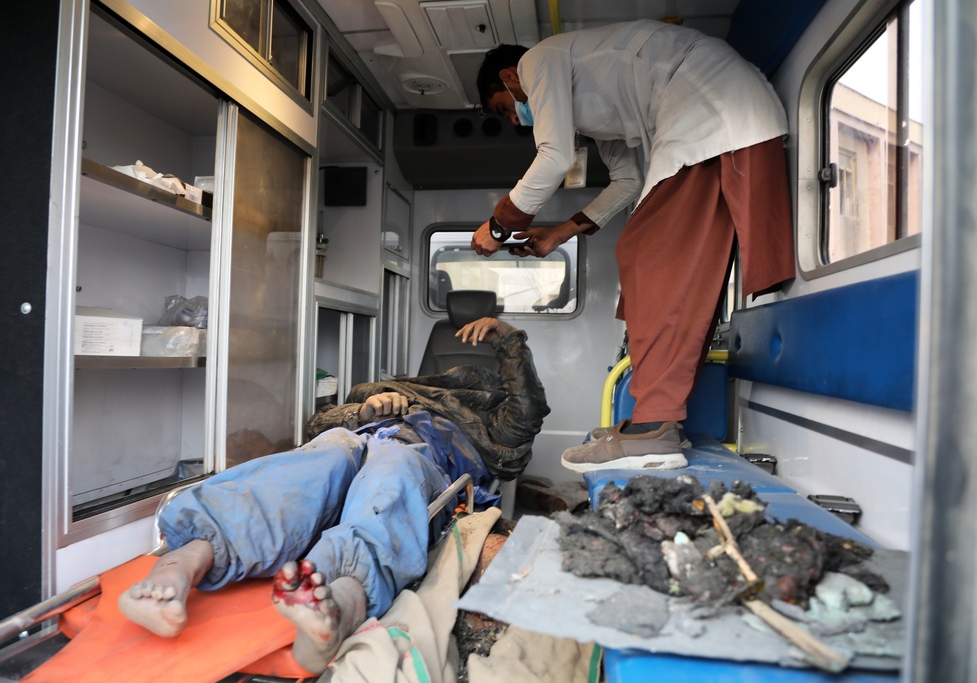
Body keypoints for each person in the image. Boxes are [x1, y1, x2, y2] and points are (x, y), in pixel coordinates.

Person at [117, 317, 549, 674]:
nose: (453, 380)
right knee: (317, 462)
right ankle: (185, 561)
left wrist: (509, 340)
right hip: (354, 436)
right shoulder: (383, 387)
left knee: (393, 471)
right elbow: (317, 425)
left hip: (424, 450)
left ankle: (342, 602)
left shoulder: (491, 415)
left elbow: (525, 420)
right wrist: (361, 411)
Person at [470, 21, 795, 472]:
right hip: (714, 112)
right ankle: (658, 420)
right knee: (661, 260)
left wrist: (499, 225)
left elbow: (554, 156)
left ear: (508, 79)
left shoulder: (535, 60)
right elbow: (627, 181)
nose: (514, 119)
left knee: (649, 257)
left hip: (705, 104)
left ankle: (653, 426)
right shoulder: (594, 111)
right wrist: (560, 232)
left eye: (505, 109)